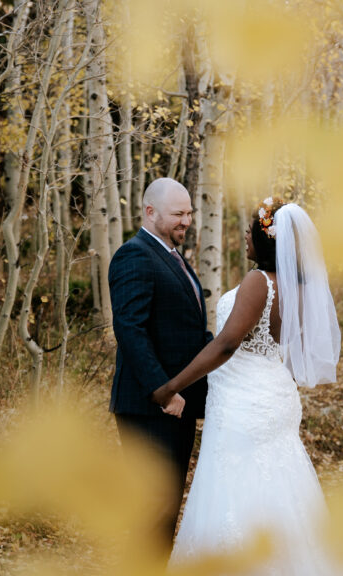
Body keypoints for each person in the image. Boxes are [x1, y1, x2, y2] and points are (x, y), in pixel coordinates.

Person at [151, 197, 343, 575]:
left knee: (236, 493)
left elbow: (227, 343)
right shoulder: (294, 287)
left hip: (244, 404)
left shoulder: (258, 281)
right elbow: (287, 348)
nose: (244, 236)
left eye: (250, 231)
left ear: (267, 240)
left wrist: (171, 386)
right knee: (278, 489)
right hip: (272, 392)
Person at [108, 177, 209, 549]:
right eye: (179, 214)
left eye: (190, 213)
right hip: (150, 407)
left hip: (174, 407)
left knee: (163, 513)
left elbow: (189, 331)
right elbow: (130, 329)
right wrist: (163, 392)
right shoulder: (134, 255)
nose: (187, 221)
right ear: (150, 212)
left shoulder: (171, 256)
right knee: (152, 512)